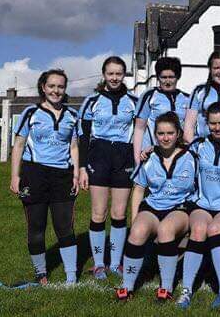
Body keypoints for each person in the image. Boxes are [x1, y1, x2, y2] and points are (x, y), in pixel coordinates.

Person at [116, 112, 198, 301]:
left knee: (165, 230)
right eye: (161, 133)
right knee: (137, 231)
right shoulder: (149, 158)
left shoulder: (192, 157)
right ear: (155, 135)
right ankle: (127, 285)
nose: (165, 138)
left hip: (180, 208)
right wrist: (135, 219)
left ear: (178, 134)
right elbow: (139, 190)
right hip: (153, 207)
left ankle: (166, 287)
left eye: (170, 133)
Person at [10, 70, 80, 285]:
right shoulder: (31, 112)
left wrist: (76, 174)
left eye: (60, 86)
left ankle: (71, 276)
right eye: (52, 86)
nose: (56, 91)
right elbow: (19, 145)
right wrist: (15, 176)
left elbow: (74, 146)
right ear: (43, 87)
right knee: (36, 226)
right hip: (34, 174)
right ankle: (41, 274)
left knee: (64, 226)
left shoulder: (72, 115)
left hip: (63, 176)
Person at [78, 56, 138, 279]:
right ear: (104, 75)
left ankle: (115, 263)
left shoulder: (134, 101)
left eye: (118, 73)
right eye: (110, 73)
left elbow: (140, 132)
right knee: (98, 212)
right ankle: (99, 264)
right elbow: (83, 137)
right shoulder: (91, 101)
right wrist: (82, 168)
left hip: (124, 158)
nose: (114, 78)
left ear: (124, 75)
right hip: (99, 158)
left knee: (119, 213)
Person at [177, 102, 220, 309]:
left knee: (215, 229)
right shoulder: (198, 145)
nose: (217, 127)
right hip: (202, 205)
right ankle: (186, 292)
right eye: (213, 123)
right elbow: (174, 154)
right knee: (198, 229)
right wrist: (151, 149)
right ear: (206, 123)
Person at [133, 57, 190, 165]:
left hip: (178, 156)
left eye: (171, 77)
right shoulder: (149, 95)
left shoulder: (187, 99)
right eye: (163, 77)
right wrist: (137, 159)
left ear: (178, 77)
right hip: (152, 155)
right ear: (158, 77)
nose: (167, 81)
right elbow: (139, 129)